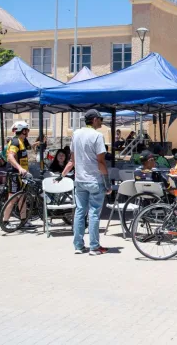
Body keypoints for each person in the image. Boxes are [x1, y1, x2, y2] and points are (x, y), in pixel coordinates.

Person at [59, 109, 111, 256]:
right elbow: (101, 162)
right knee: (94, 213)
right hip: (94, 180)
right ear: (94, 120)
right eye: (100, 118)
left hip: (80, 180)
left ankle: (78, 246)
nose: (101, 121)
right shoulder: (97, 136)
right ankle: (94, 247)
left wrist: (62, 175)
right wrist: (107, 182)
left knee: (80, 212)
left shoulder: (76, 134)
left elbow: (72, 160)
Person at [2, 121, 35, 230]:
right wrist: (20, 168)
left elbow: (29, 148)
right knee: (12, 199)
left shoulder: (22, 141)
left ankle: (23, 221)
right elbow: (10, 157)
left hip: (23, 175)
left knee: (23, 198)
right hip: (15, 174)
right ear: (23, 130)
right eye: (27, 130)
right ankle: (5, 222)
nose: (28, 132)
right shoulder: (15, 142)